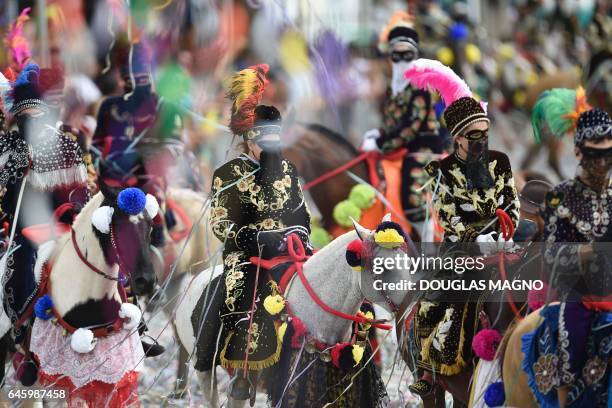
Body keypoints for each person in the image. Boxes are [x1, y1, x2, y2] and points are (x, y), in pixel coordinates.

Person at [402, 59, 519, 395]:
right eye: (473, 135)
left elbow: (512, 201)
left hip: (502, 240)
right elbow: (447, 216)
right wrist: (476, 238)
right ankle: (428, 368)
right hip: (462, 245)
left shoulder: (501, 162)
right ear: (458, 138)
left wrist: (503, 232)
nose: (481, 140)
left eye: (485, 133)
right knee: (434, 299)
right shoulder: (440, 170)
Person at [208, 64, 311, 401]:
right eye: (263, 140)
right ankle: (243, 371)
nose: (269, 147)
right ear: (250, 140)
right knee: (245, 296)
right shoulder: (229, 173)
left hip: (289, 251)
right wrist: (255, 237)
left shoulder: (288, 170)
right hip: (248, 255)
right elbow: (221, 224)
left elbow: (302, 213)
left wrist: (298, 233)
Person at [0, 63, 89, 385]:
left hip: (58, 228)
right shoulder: (9, 146)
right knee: (21, 264)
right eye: (27, 119)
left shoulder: (63, 144)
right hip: (21, 229)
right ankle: (21, 326)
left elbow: (81, 195)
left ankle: (130, 320)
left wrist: (71, 212)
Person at [522, 107, 612, 407]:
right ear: (578, 151)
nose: (602, 162)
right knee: (569, 345)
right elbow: (549, 256)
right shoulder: (561, 197)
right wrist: (593, 248)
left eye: (608, 153)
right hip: (579, 294)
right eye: (593, 153)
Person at [360, 11, 443, 235]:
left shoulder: (421, 85)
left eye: (407, 55)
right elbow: (392, 123)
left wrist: (382, 143)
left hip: (422, 146)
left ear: (415, 55)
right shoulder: (392, 87)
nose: (402, 60)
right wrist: (377, 134)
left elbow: (411, 126)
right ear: (390, 57)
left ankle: (429, 251)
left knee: (412, 199)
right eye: (397, 55)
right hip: (400, 145)